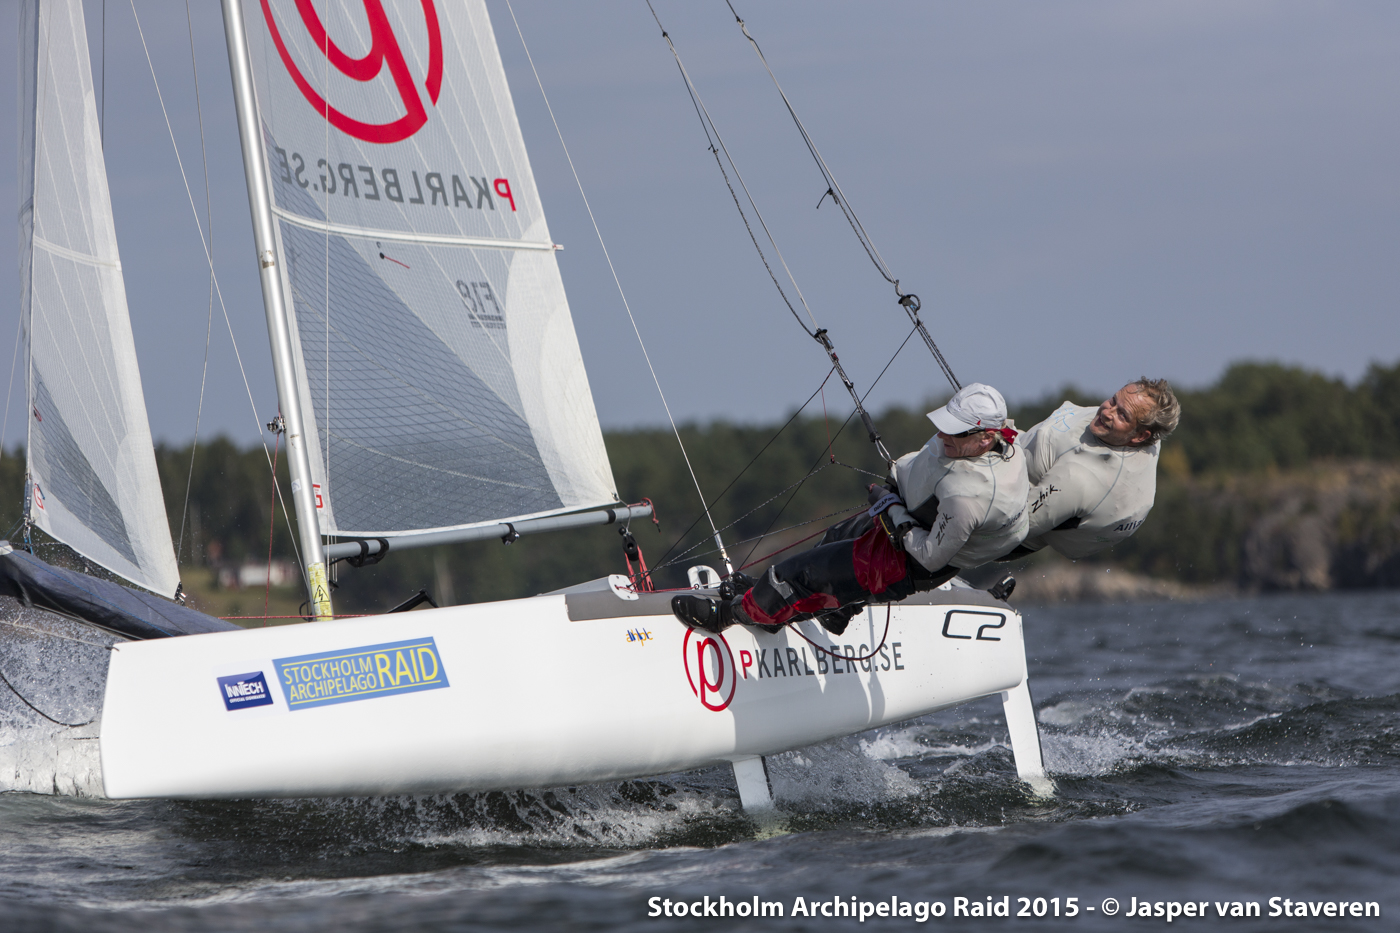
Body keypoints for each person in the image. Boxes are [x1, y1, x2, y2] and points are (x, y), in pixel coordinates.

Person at [672, 383, 1030, 635]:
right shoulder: (985, 441)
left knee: (791, 576)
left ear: (986, 438)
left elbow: (929, 557)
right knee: (832, 541)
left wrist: (893, 510)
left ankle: (730, 615)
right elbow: (927, 460)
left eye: (955, 432)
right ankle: (829, 610)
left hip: (904, 562)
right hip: (901, 517)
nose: (942, 435)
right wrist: (895, 492)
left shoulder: (968, 499)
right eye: (944, 425)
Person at [1005, 377, 1180, 561]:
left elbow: (1013, 528)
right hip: (1016, 451)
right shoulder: (1143, 433)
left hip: (1018, 528)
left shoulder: (1080, 479)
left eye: (1122, 415)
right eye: (1113, 400)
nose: (1107, 412)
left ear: (1139, 436)